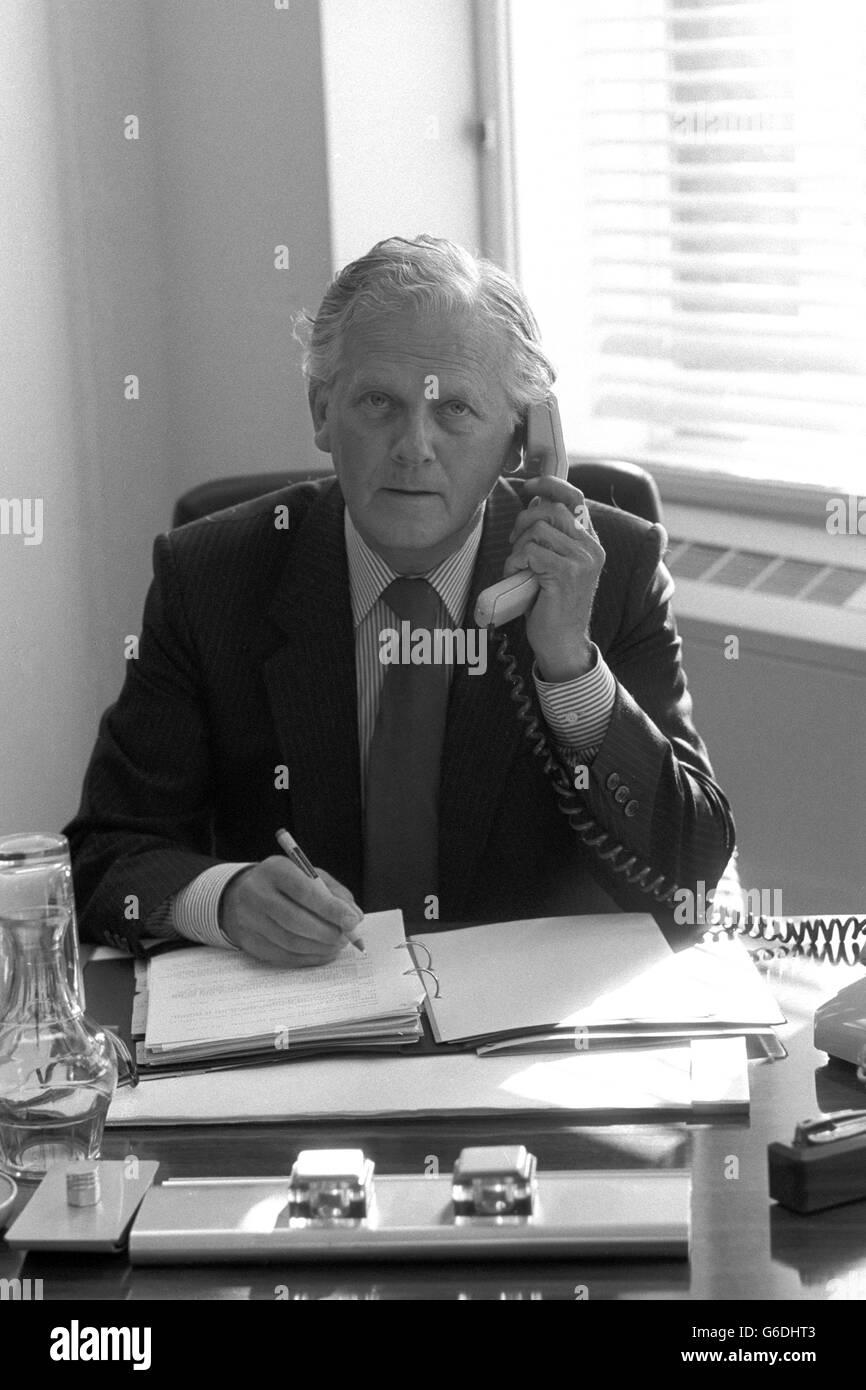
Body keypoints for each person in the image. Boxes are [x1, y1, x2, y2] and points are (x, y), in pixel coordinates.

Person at [65, 235, 735, 964]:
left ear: (522, 442)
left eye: (455, 411)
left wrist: (570, 666)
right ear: (322, 411)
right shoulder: (211, 577)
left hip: (528, 1045)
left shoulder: (607, 572)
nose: (414, 446)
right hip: (303, 1030)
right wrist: (222, 898)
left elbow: (689, 879)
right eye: (379, 402)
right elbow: (106, 854)